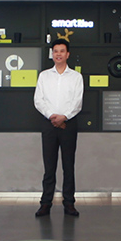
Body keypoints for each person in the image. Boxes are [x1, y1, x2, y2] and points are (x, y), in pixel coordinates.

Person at [34, 38, 84, 217]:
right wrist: (52, 117)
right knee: (49, 166)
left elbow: (77, 102)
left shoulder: (76, 77)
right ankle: (45, 203)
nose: (58, 54)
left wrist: (64, 117)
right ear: (52, 54)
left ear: (67, 54)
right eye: (55, 51)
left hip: (69, 125)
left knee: (68, 166)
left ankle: (69, 203)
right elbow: (38, 100)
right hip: (49, 124)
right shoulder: (44, 76)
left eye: (62, 51)